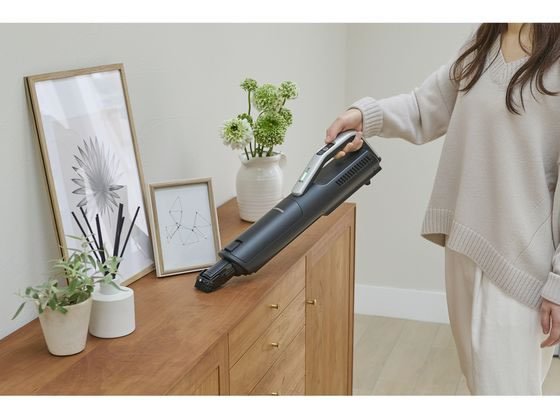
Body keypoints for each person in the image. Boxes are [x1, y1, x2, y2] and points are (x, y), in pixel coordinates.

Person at [326, 23, 560, 395]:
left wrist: (558, 283)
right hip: (463, 247)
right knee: (478, 384)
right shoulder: (483, 43)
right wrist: (365, 115)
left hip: (521, 264)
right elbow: (425, 107)